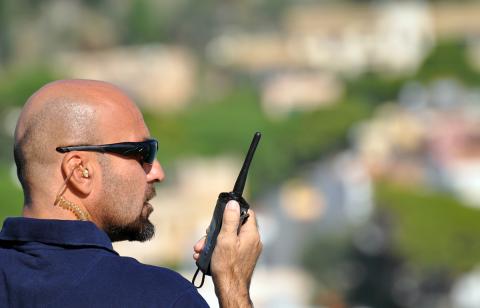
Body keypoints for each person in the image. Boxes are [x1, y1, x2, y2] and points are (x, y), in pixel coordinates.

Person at [0, 79, 262, 307]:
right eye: (142, 153)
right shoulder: (159, 297)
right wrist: (233, 286)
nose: (157, 172)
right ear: (80, 171)